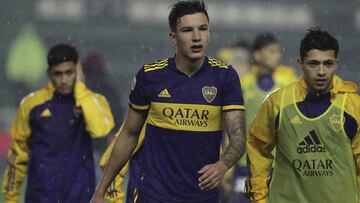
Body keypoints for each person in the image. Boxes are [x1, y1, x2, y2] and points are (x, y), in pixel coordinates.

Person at [91, 1, 246, 202]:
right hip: (154, 193)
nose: (196, 37)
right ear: (173, 37)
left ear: (209, 33)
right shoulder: (150, 76)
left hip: (201, 196)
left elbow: (238, 137)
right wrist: (100, 190)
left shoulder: (225, 77)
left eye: (202, 29)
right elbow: (129, 135)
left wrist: (222, 165)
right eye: (187, 30)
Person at [246, 28, 360, 203]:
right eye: (313, 64)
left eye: (328, 63)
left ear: (336, 63)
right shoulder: (278, 103)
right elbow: (257, 146)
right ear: (300, 63)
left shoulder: (353, 106)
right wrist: (259, 197)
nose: (321, 71)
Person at [2, 44, 115, 203]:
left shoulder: (94, 101)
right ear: (49, 74)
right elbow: (17, 154)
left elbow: (100, 130)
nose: (63, 80)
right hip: (42, 193)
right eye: (58, 74)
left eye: (69, 73)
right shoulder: (32, 105)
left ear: (77, 72)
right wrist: (10, 196)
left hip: (80, 190)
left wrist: (81, 91)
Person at [231, 33, 298, 203]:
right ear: (257, 55)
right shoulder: (244, 85)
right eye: (272, 51)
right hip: (246, 164)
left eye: (278, 51)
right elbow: (233, 127)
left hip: (277, 163)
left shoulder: (287, 83)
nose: (278, 55)